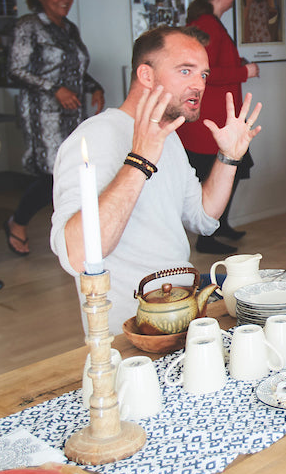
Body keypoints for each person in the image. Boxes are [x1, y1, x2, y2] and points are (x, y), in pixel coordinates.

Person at [49, 26, 262, 329]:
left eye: (203, 74)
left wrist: (229, 157)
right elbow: (78, 256)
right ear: (146, 76)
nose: (199, 84)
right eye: (185, 70)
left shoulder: (169, 137)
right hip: (134, 325)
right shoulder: (91, 139)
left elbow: (203, 217)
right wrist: (139, 160)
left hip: (184, 303)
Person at [5, 0, 104, 256]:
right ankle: (18, 222)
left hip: (72, 112)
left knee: (72, 170)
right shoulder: (29, 26)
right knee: (52, 173)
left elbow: (76, 70)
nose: (65, 0)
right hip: (42, 113)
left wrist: (94, 86)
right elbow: (16, 70)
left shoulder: (69, 28)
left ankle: (73, 234)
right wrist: (54, 89)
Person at [178, 0, 261, 255]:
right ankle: (207, 233)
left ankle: (219, 224)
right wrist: (244, 70)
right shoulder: (207, 25)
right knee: (218, 172)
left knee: (232, 169)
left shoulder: (209, 22)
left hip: (216, 115)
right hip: (209, 118)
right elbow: (206, 73)